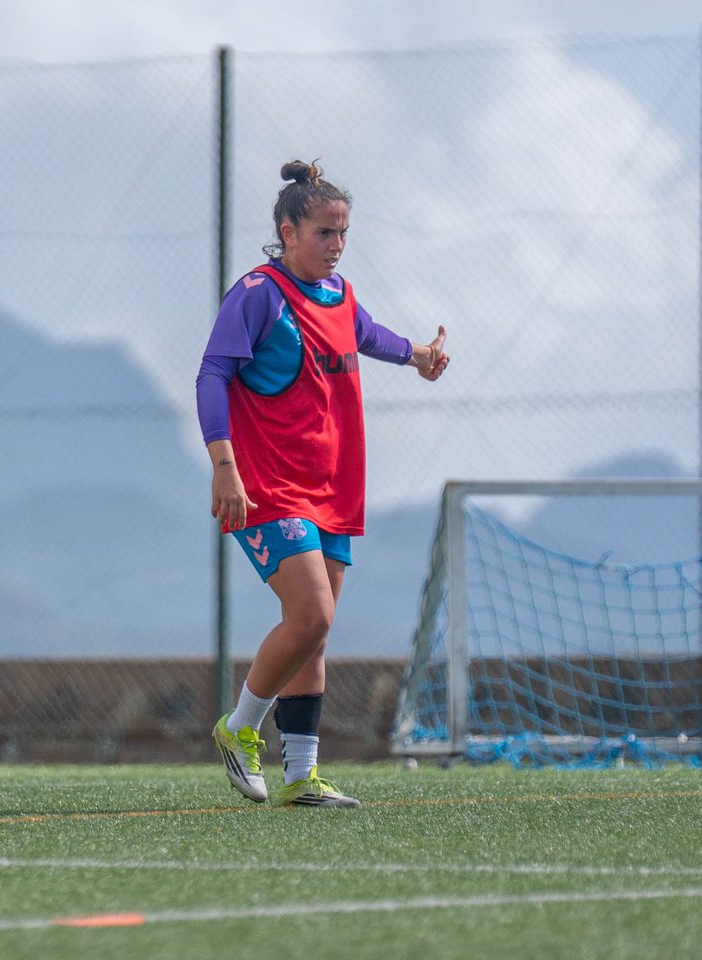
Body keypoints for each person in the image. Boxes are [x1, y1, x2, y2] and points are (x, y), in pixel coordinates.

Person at [196, 160, 449, 808]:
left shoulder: (341, 294)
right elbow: (211, 377)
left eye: (342, 233)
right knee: (312, 613)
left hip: (333, 486)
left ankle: (301, 775)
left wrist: (417, 355)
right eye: (323, 233)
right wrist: (225, 466)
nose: (335, 245)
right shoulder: (258, 293)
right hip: (267, 487)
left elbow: (366, 335)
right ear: (287, 231)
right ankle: (240, 728)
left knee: (313, 630)